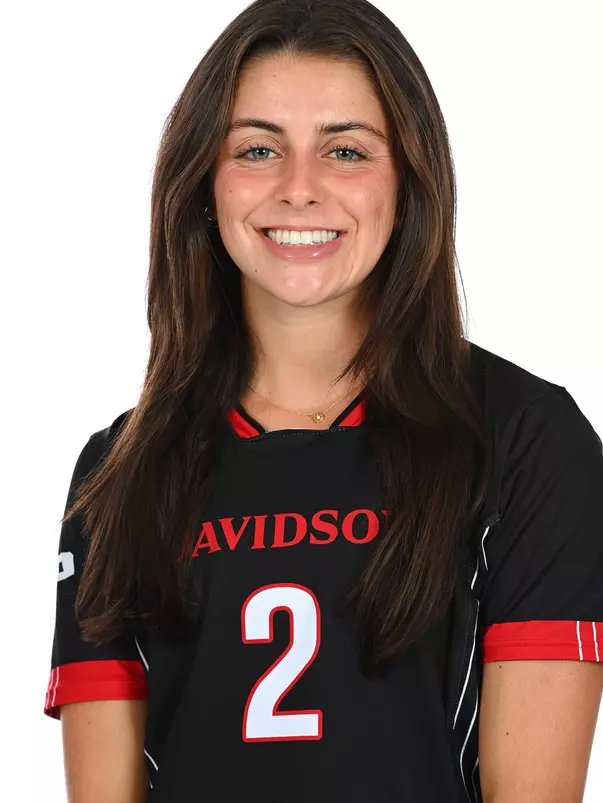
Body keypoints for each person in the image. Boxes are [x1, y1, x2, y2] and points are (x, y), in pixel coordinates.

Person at [43, 1, 603, 801]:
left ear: (408, 183)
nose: (298, 188)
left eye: (344, 150)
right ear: (204, 181)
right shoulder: (118, 471)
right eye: (258, 148)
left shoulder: (523, 439)